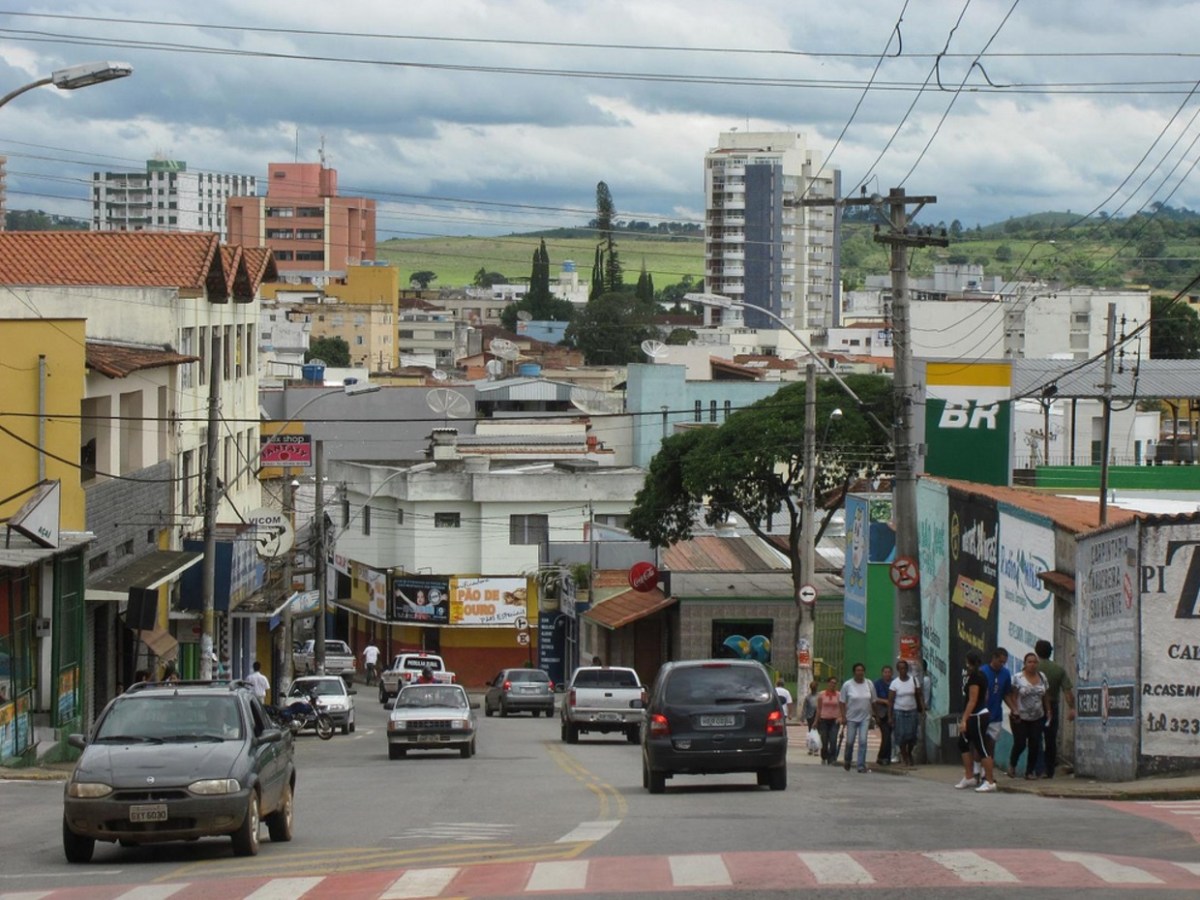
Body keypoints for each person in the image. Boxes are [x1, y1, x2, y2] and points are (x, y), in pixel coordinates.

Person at [956, 649, 996, 792]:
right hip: (976, 714)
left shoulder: (975, 677)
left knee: (981, 747)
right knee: (962, 743)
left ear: (968, 662)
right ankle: (969, 776)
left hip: (977, 715)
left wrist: (964, 720)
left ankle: (990, 781)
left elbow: (972, 700)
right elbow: (985, 695)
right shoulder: (981, 675)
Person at [1035, 639, 1075, 778]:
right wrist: (1072, 708)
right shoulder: (1058, 670)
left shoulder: (1033, 668)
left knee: (1036, 738)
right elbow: (1068, 693)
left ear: (1036, 651)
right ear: (1051, 651)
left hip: (1035, 706)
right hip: (1052, 706)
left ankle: (1038, 769)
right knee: (1050, 739)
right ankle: (1049, 770)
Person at [1008, 652, 1050, 779]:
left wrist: (1048, 710)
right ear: (1025, 664)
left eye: (1035, 662)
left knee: (1035, 743)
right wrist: (1014, 710)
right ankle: (1012, 764)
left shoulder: (1042, 677)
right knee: (1020, 743)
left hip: (1037, 716)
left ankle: (1029, 771)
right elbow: (1013, 696)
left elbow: (1046, 695)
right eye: (1029, 662)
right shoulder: (1018, 678)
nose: (1032, 665)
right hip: (1020, 716)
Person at [979, 648, 1012, 781]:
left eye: (1004, 662)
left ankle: (987, 773)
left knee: (991, 744)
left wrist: (1014, 708)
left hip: (996, 715)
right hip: (981, 713)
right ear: (993, 658)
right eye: (1000, 661)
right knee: (979, 743)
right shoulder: (983, 671)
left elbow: (1006, 694)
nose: (1002, 664)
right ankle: (977, 769)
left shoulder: (1005, 674)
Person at [888, 659, 925, 767]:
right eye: (900, 668)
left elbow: (919, 695)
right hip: (899, 711)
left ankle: (909, 753)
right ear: (898, 670)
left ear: (907, 669)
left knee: (912, 735)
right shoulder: (894, 683)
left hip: (912, 711)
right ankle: (904, 756)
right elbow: (890, 701)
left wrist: (922, 709)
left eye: (904, 668)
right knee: (901, 736)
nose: (903, 670)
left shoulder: (914, 680)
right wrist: (890, 716)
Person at [839, 663, 875, 773]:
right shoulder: (847, 685)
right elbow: (842, 702)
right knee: (850, 741)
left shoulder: (869, 684)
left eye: (862, 670)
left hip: (865, 718)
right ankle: (848, 759)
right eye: (858, 670)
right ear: (854, 672)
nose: (860, 672)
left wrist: (874, 715)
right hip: (851, 718)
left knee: (863, 741)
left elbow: (873, 701)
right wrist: (843, 716)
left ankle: (860, 765)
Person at [816, 676, 842, 765]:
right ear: (828, 683)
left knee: (833, 739)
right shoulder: (821, 694)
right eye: (831, 682)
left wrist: (841, 717)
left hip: (834, 720)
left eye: (835, 683)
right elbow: (819, 708)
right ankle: (824, 756)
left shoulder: (839, 695)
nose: (833, 684)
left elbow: (842, 707)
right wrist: (816, 721)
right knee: (824, 740)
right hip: (823, 720)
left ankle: (832, 758)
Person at [872, 664, 894, 766]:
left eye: (889, 672)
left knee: (889, 735)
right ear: (882, 673)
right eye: (885, 672)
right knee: (886, 735)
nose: (887, 674)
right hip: (881, 712)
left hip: (893, 712)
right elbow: (874, 698)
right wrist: (885, 701)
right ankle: (883, 757)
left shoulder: (894, 683)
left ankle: (886, 757)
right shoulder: (877, 683)